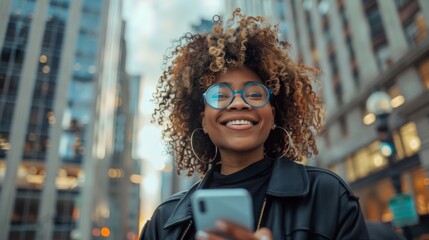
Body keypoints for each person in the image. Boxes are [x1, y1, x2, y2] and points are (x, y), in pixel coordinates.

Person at [139, 8, 369, 240]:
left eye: (255, 94)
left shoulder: (327, 195)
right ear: (203, 121)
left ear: (273, 116)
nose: (238, 103)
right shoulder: (164, 222)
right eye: (220, 95)